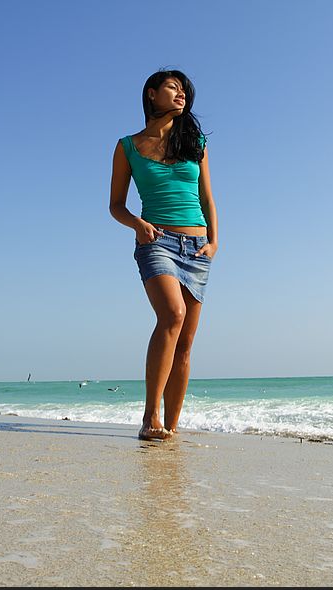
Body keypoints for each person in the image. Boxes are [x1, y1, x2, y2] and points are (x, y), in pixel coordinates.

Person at [109, 69, 219, 440]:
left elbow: (207, 197)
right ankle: (150, 417)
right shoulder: (127, 146)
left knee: (185, 342)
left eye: (184, 90)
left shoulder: (196, 143)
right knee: (172, 315)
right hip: (156, 242)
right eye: (173, 88)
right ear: (152, 94)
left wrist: (214, 241)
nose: (181, 94)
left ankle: (171, 426)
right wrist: (138, 225)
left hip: (197, 247)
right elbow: (116, 205)